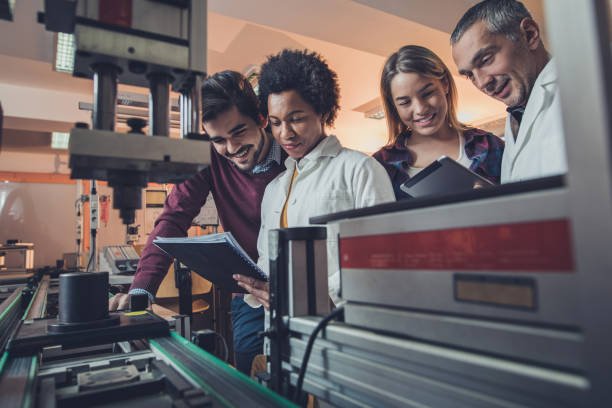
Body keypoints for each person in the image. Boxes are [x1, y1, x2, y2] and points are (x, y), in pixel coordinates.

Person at [108, 71, 287, 375]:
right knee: (252, 371)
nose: (231, 149)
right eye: (219, 140)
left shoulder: (293, 151)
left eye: (239, 132)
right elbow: (173, 218)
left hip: (300, 286)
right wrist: (142, 290)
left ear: (261, 118)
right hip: (249, 293)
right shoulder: (208, 157)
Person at [233, 49, 395, 309]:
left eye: (296, 119)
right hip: (280, 331)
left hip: (339, 329)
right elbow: (266, 262)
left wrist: (311, 298)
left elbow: (382, 254)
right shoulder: (274, 189)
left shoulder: (360, 169)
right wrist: (260, 289)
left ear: (322, 111)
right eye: (275, 123)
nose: (285, 133)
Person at [451, 0, 566, 183]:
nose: (482, 83)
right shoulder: (516, 115)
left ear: (529, 35)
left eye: (486, 59)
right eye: (469, 75)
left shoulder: (586, 87)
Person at [373, 45, 504, 199]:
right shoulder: (380, 165)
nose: (420, 109)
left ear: (445, 84)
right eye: (405, 102)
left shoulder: (490, 146)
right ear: (394, 106)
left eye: (428, 93)